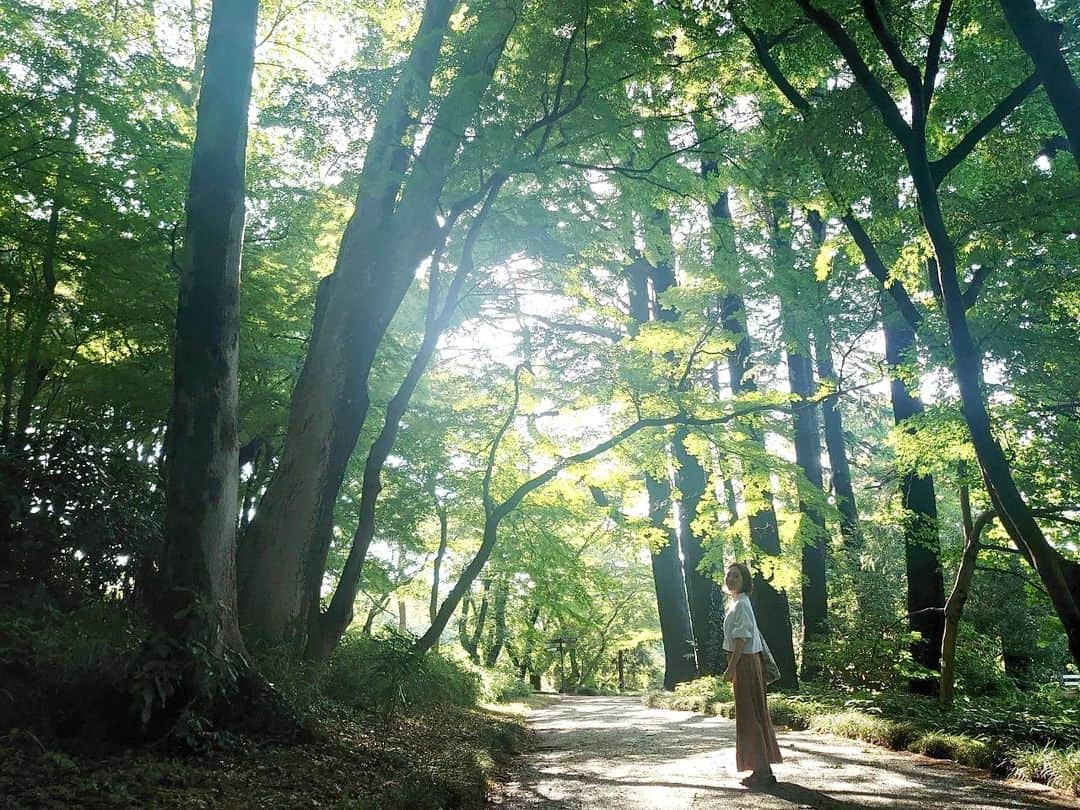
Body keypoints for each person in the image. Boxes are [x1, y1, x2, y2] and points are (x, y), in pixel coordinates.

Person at [722, 562, 782, 788]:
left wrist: (731, 668)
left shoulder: (742, 604)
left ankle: (762, 771)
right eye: (728, 575)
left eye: (735, 576)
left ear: (745, 580)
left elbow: (742, 638)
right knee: (751, 714)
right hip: (744, 662)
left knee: (750, 715)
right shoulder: (737, 603)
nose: (731, 579)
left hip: (745, 663)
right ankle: (762, 768)